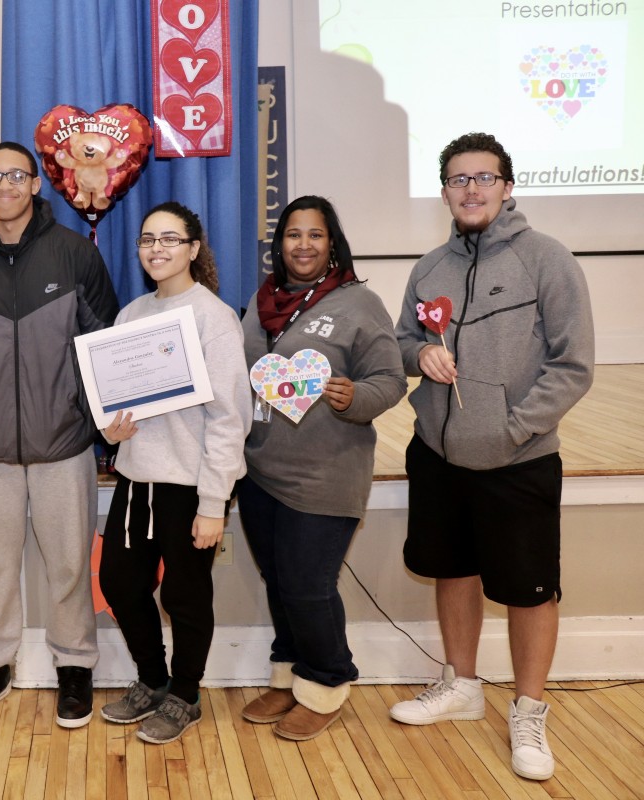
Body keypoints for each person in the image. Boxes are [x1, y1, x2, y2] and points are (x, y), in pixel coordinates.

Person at [388, 133, 594, 781]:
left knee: (530, 591)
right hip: (438, 456)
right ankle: (462, 686)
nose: (471, 189)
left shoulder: (548, 261)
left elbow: (573, 366)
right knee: (453, 569)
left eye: (484, 177)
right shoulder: (430, 268)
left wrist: (513, 430)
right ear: (444, 190)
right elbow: (399, 344)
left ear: (508, 186)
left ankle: (529, 710)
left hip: (519, 459)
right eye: (457, 179)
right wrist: (418, 355)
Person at [0, 141, 119, 727]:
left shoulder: (75, 256)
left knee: (68, 565)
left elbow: (102, 347)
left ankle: (74, 667)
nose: (6, 185)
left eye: (18, 175)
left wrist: (87, 418)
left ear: (37, 184)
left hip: (63, 444)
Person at [237, 195, 406, 741]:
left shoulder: (360, 304)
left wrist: (354, 395)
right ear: (278, 243)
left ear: (332, 242)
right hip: (260, 472)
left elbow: (391, 379)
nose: (303, 245)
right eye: (292, 235)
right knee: (280, 582)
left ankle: (327, 683)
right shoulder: (261, 301)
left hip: (326, 475)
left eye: (315, 235)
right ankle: (288, 676)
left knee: (309, 586)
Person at [97, 202, 249, 744]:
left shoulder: (213, 317)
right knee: (119, 582)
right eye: (146, 239)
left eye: (169, 239)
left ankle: (186, 695)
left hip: (191, 486)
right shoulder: (131, 315)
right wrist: (113, 433)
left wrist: (214, 503)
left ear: (193, 248)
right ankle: (153, 680)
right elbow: (117, 404)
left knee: (185, 596)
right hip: (137, 479)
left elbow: (231, 417)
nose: (156, 248)